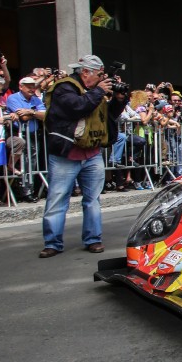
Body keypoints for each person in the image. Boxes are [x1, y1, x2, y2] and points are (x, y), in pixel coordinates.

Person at [39, 55, 124, 258]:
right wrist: (99, 91)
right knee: (58, 199)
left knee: (93, 199)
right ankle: (52, 242)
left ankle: (93, 239)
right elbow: (77, 107)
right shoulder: (64, 87)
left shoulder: (96, 91)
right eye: (99, 74)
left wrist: (120, 99)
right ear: (85, 72)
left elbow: (109, 115)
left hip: (92, 154)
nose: (102, 78)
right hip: (66, 155)